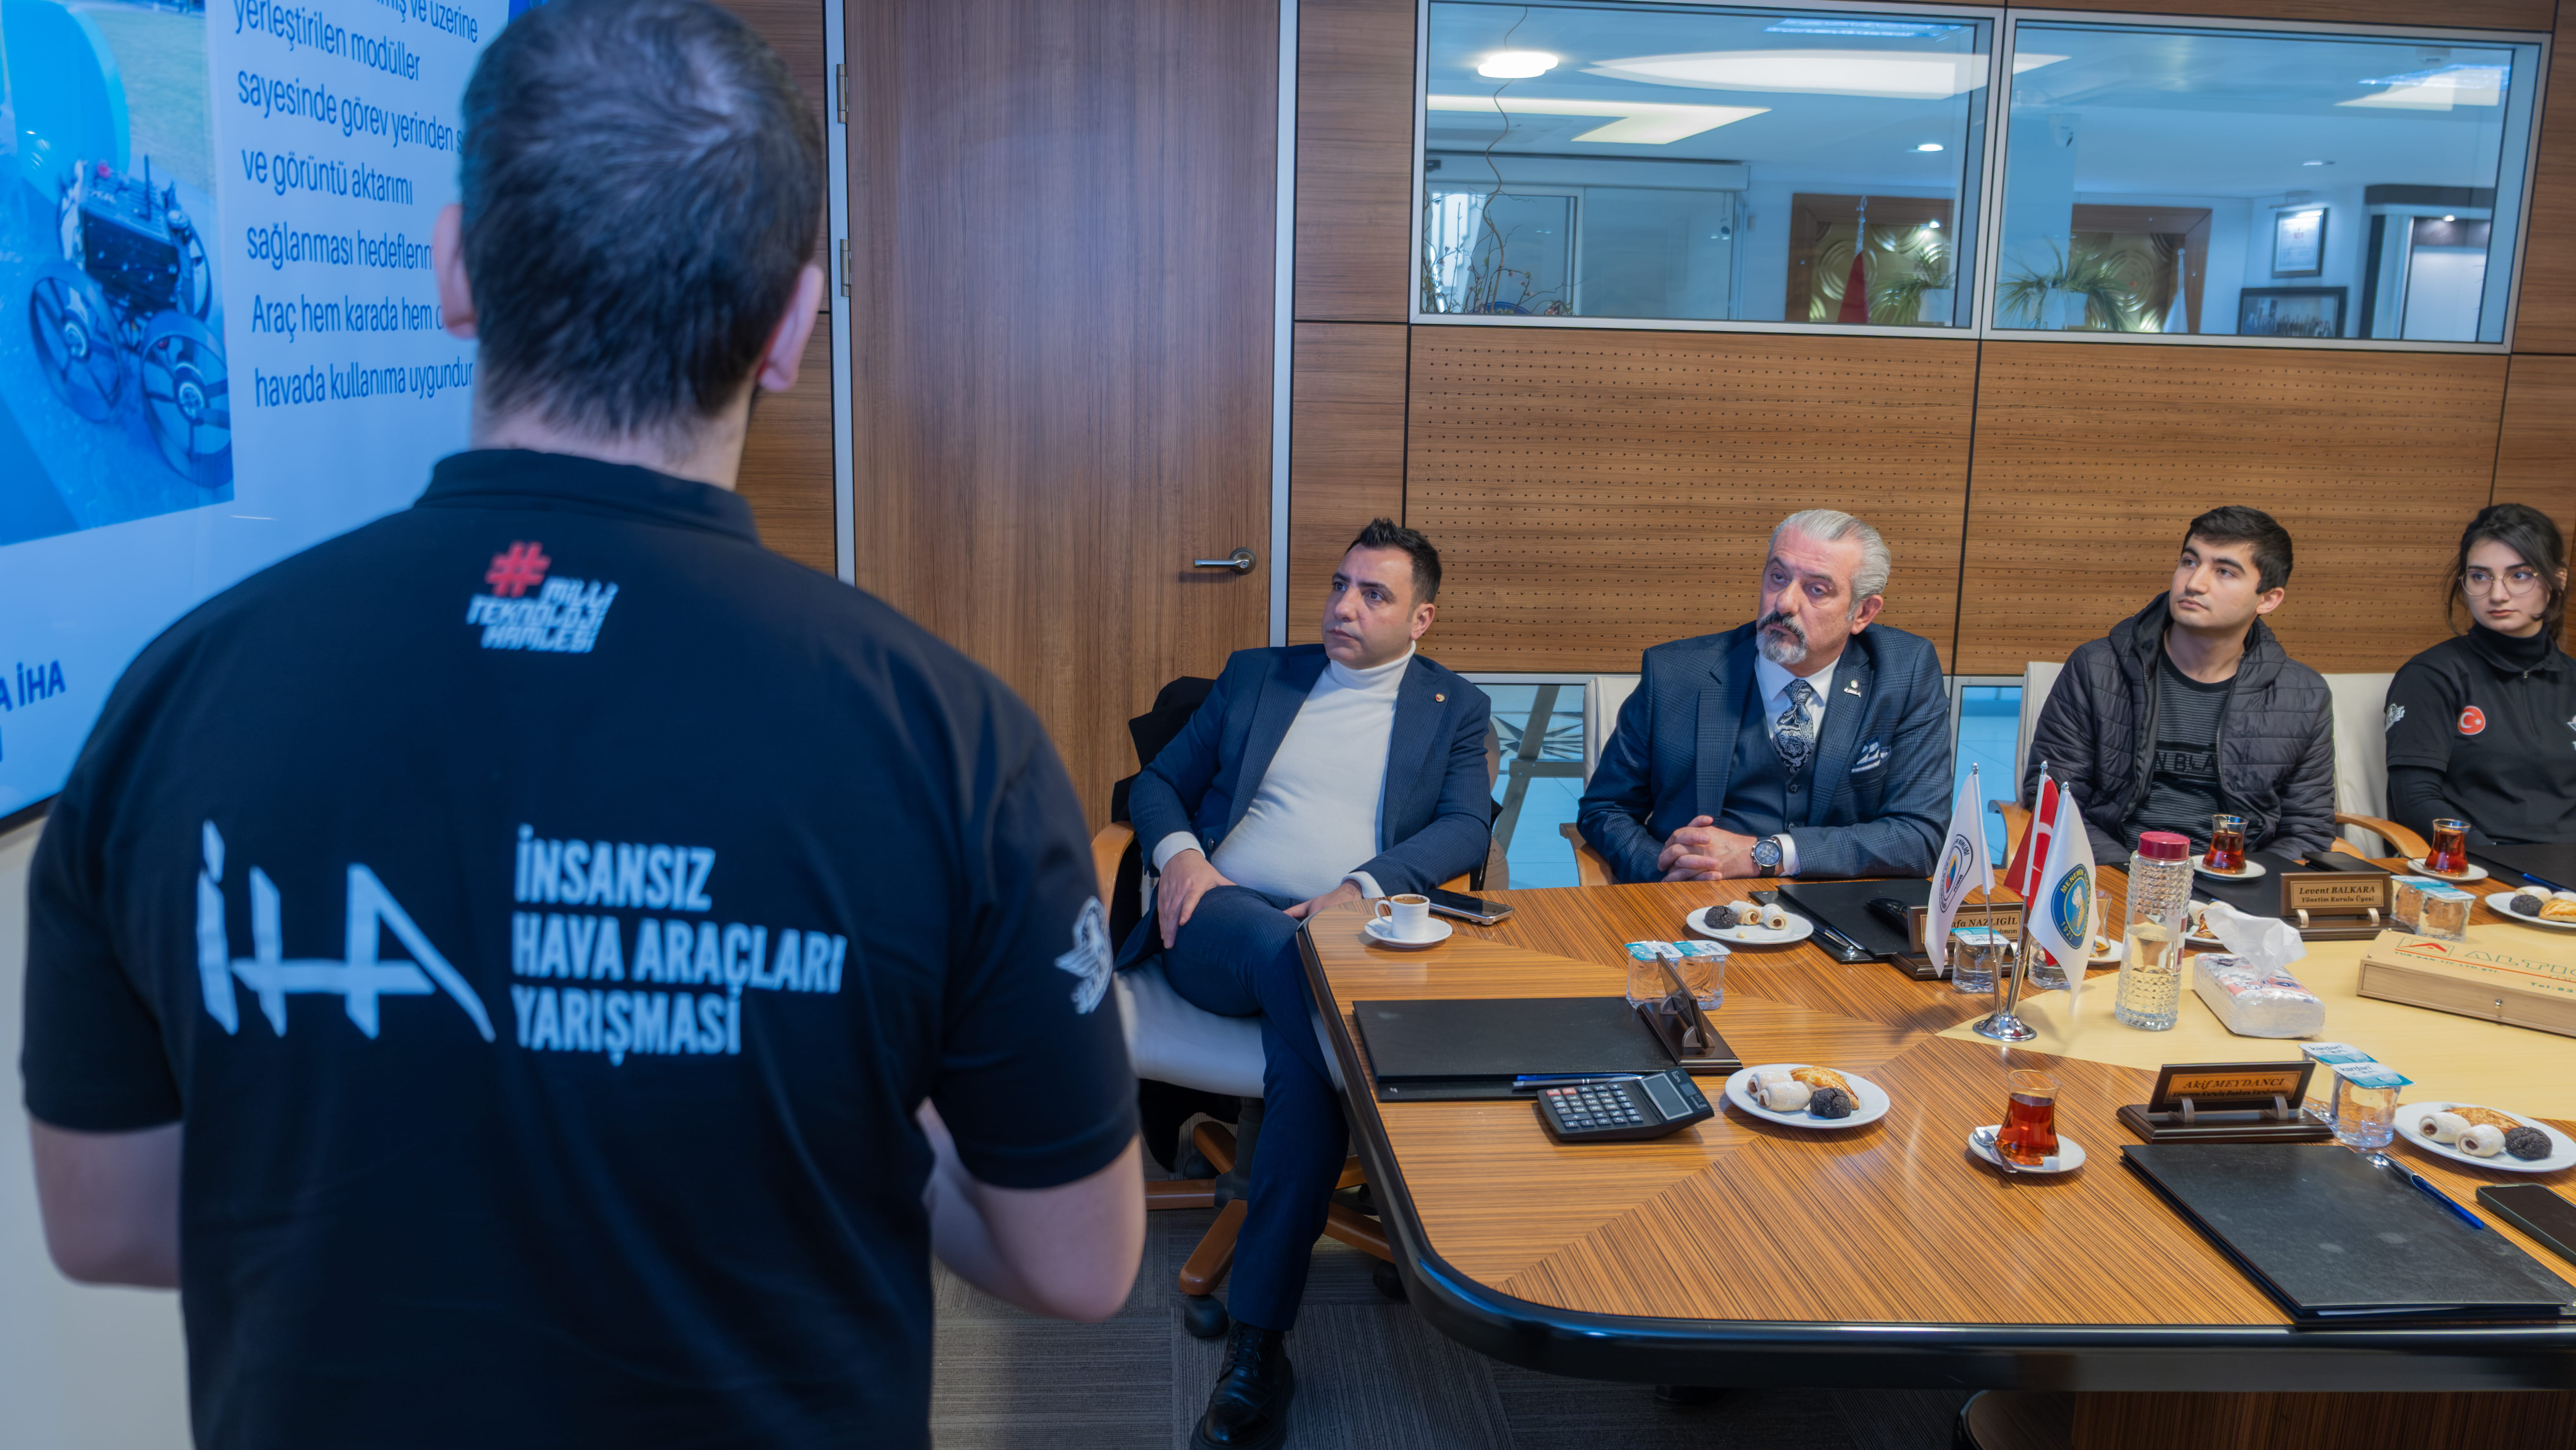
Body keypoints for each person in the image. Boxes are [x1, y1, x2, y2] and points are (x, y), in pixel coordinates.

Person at [20, 4, 1142, 1446]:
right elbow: (1079, 1260)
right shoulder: (952, 742)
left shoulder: (175, 702)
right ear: (792, 328)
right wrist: (866, 1115)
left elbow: (103, 1219)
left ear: (455, 272)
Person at [1122, 519, 1491, 1450]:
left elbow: (1465, 827)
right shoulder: (1260, 675)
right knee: (1297, 969)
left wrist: (1360, 887)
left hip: (1342, 936)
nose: (1343, 607)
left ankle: (1257, 1349)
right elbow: (1155, 784)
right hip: (1217, 922)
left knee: (1305, 1069)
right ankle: (1380, 1093)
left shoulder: (1454, 706)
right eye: (1339, 586)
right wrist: (1180, 858)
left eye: (1374, 594)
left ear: (1421, 619)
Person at [1577, 509, 1950, 883]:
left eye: (1816, 590)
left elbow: (1920, 835)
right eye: (1778, 577)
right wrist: (1666, 871)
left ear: (1863, 613)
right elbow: (1606, 809)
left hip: (1832, 902)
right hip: (1693, 901)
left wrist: (1766, 855)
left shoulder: (1904, 671)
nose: (1784, 603)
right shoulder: (1675, 674)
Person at [2025, 505, 2334, 861]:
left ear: (2267, 599)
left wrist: (2248, 883)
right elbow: (2054, 800)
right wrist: (2131, 876)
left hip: (2238, 880)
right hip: (2115, 870)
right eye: (2190, 562)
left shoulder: (2303, 696)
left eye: (2224, 572)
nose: (2194, 583)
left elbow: (2308, 828)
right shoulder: (2098, 668)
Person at [2385, 503, 2576, 848]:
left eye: (2520, 576)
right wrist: (2496, 862)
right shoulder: (2432, 674)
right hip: (2478, 864)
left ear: (2557, 580)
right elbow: (2415, 801)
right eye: (2480, 576)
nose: (2497, 595)